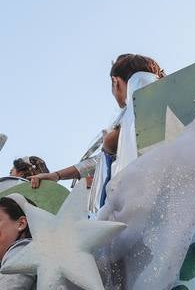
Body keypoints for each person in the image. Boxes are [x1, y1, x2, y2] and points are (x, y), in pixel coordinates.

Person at [28, 54, 164, 201]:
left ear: (115, 82)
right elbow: (97, 162)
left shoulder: (132, 117)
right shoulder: (168, 106)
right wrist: (57, 175)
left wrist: (109, 146)